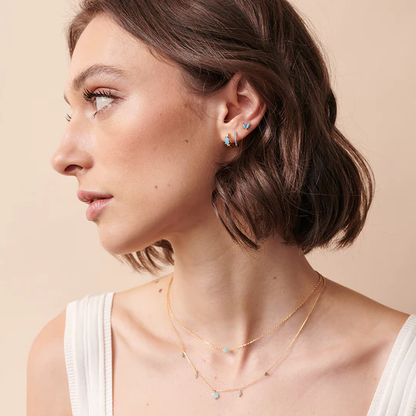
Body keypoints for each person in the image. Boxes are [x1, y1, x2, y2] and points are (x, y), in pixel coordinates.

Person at [27, 0, 416, 415]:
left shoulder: (400, 375)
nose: (63, 157)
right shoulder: (74, 362)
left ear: (236, 108)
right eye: (71, 114)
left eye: (102, 100)